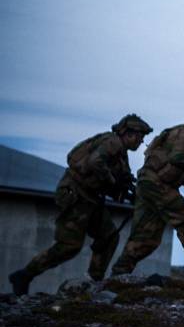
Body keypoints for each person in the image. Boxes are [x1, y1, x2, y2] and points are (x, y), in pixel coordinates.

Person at [8, 114, 153, 295]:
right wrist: (112, 181)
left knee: (108, 236)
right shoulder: (113, 143)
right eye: (140, 136)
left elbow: (118, 183)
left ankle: (94, 281)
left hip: (91, 199)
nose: (141, 141)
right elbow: (95, 163)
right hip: (77, 195)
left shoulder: (121, 154)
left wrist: (128, 193)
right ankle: (24, 275)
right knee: (69, 246)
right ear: (128, 133)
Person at [110, 104, 184, 279]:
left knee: (146, 238)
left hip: (148, 184)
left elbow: (174, 165)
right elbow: (177, 158)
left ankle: (119, 273)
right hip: (156, 184)